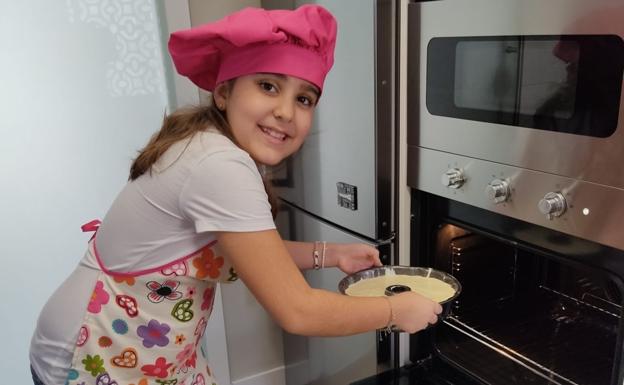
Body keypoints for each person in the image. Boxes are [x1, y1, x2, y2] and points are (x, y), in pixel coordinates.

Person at [29, 5, 442, 385]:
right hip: (93, 349)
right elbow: (297, 311)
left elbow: (251, 250)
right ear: (224, 93)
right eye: (267, 86)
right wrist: (396, 311)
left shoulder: (208, 145)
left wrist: (331, 254)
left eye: (304, 98)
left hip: (144, 344)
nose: (286, 111)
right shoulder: (217, 165)